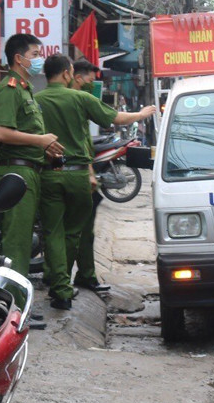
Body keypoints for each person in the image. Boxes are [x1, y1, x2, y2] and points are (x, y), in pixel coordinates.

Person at [35, 54, 155, 310]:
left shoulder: (36, 100)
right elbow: (115, 118)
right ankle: (64, 286)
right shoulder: (80, 98)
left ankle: (60, 287)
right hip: (77, 174)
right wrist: (141, 113)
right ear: (68, 73)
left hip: (48, 174)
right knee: (73, 232)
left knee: (52, 232)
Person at [0, 33, 64, 279]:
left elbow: (24, 131)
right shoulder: (10, 89)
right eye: (34, 55)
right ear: (18, 58)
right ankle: (15, 305)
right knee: (17, 242)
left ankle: (18, 303)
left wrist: (45, 148)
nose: (39, 60)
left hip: (30, 170)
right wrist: (39, 140)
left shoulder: (25, 90)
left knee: (24, 239)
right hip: (16, 172)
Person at [69, 59, 110, 294]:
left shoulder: (71, 102)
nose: (91, 86)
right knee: (80, 232)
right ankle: (80, 277)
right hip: (75, 175)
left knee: (71, 232)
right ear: (76, 77)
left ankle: (65, 279)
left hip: (74, 173)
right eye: (90, 81)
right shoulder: (76, 101)